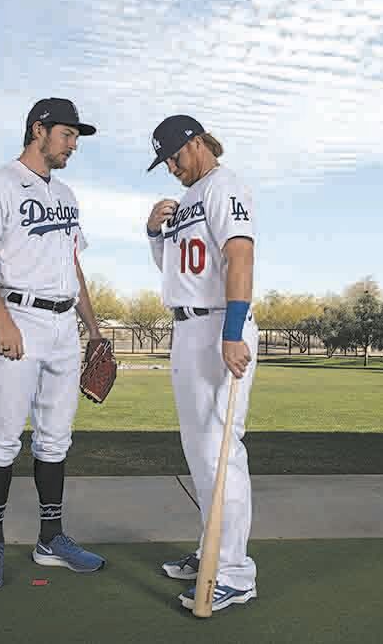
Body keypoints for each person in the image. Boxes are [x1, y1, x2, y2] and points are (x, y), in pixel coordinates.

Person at [0, 97, 108, 589]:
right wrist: (1, 319)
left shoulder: (66, 194)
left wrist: (95, 328)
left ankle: (51, 540)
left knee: (55, 438)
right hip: (18, 315)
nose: (73, 144)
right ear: (38, 130)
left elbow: (74, 267)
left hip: (64, 324)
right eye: (68, 134)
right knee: (3, 437)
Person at [144, 115, 259, 612]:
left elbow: (240, 258)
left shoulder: (223, 186)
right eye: (164, 161)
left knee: (220, 449)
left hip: (218, 325)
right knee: (199, 450)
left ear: (195, 144)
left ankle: (233, 572)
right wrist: (154, 234)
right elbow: (177, 271)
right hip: (187, 326)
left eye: (173, 156)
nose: (170, 167)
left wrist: (232, 333)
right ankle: (211, 549)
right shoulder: (188, 198)